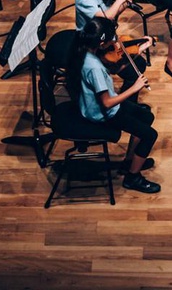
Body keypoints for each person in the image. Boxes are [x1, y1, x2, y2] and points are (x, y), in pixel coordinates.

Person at [66, 17, 161, 194]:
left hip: (100, 105)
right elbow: (107, 103)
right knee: (150, 135)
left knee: (147, 116)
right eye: (113, 39)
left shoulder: (87, 51)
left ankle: (129, 162)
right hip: (103, 113)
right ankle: (132, 177)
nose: (116, 43)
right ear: (102, 43)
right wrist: (134, 88)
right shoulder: (94, 68)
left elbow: (114, 67)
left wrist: (139, 49)